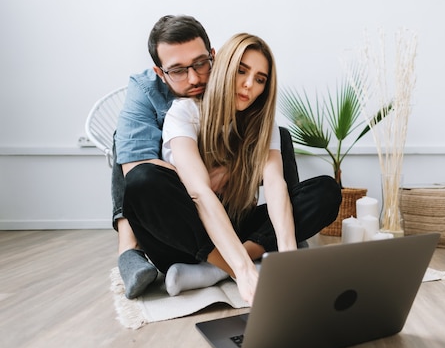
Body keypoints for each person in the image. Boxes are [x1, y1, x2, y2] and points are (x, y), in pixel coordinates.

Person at [123, 33, 342, 304]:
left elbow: (275, 185)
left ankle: (210, 272)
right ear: (225, 68)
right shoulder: (185, 112)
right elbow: (200, 193)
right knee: (142, 180)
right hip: (184, 238)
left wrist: (288, 256)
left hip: (235, 225)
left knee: (325, 191)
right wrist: (243, 270)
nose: (249, 84)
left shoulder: (263, 125)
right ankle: (232, 264)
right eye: (242, 71)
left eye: (260, 79)